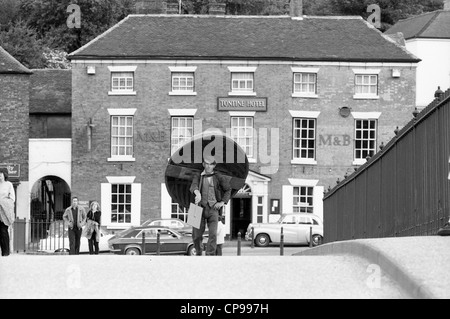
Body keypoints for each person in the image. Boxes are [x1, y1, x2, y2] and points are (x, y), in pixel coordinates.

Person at [190, 155, 231, 256]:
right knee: (196, 236)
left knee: (213, 234)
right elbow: (193, 185)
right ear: (203, 164)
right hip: (196, 208)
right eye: (206, 164)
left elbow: (228, 189)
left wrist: (222, 202)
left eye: (210, 164)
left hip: (213, 209)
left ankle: (210, 255)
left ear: (214, 166)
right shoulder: (198, 175)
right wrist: (197, 193)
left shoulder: (218, 176)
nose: (208, 167)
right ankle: (198, 253)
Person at [0, 168, 15, 257]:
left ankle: (5, 252)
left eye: (1, 173)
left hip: (4, 209)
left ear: (4, 174)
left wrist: (3, 202)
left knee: (3, 230)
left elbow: (12, 198)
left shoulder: (9, 184)